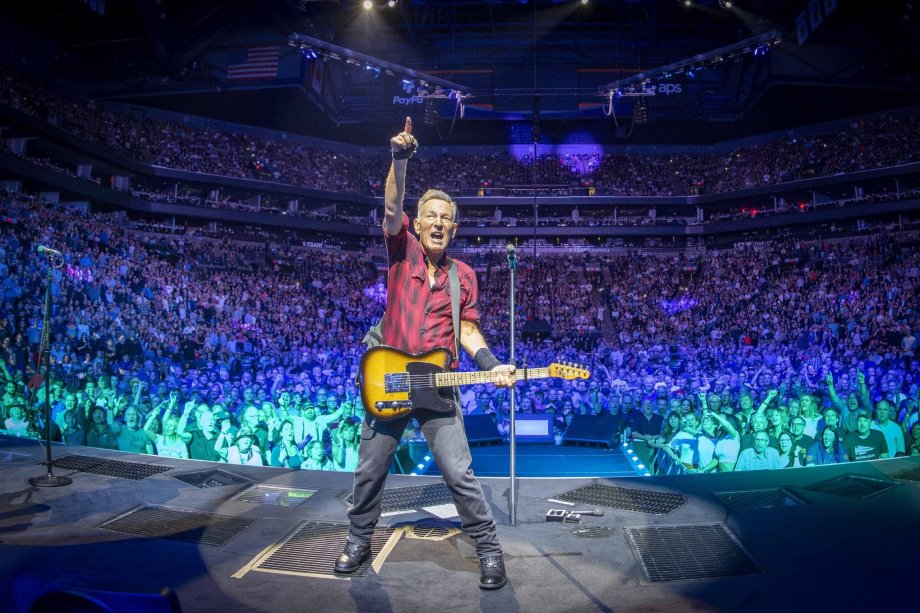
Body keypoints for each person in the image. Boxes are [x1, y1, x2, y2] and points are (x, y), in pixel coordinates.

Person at [335, 118, 515, 590]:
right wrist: (400, 159)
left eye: (445, 219)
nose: (437, 223)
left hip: (437, 386)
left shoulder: (464, 277)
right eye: (430, 216)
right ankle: (358, 540)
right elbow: (391, 205)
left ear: (454, 228)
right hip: (390, 379)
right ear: (418, 225)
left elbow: (468, 330)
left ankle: (489, 549)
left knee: (459, 473)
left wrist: (491, 366)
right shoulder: (402, 252)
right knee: (370, 470)